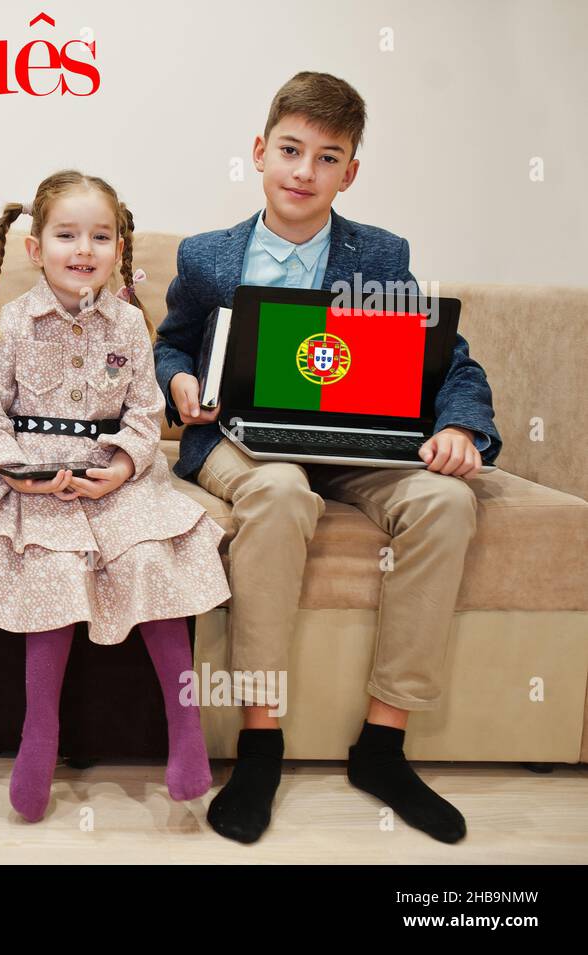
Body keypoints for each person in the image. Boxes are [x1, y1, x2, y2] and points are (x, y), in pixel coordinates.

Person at [156, 72, 501, 844]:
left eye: (326, 156)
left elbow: (454, 365)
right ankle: (260, 740)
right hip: (243, 442)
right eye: (290, 150)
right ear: (260, 151)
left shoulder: (380, 256)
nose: (304, 171)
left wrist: (461, 431)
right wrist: (178, 379)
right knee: (279, 492)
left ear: (350, 172)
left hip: (350, 439)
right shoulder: (209, 257)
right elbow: (170, 342)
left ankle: (383, 743)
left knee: (446, 500)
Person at [0, 170, 231, 822]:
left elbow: (145, 412)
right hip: (39, 477)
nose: (84, 248)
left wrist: (126, 465)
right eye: (67, 234)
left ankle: (183, 728)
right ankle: (39, 733)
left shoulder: (129, 324)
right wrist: (13, 470)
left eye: (100, 236)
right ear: (34, 248)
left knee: (152, 556)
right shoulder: (12, 324)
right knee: (51, 566)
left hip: (111, 473)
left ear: (119, 250)